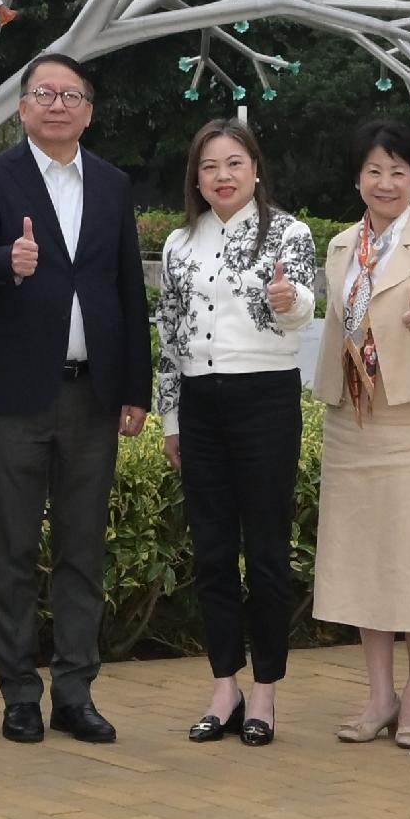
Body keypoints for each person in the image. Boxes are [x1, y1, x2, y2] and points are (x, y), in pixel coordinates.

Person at [0, 49, 152, 744]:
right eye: (45, 93)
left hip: (92, 393)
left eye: (71, 95)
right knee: (11, 548)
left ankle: (75, 692)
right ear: (22, 107)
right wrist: (6, 260)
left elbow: (128, 288)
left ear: (88, 111)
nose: (58, 104)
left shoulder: (111, 183)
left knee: (82, 550)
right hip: (18, 393)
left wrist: (135, 386)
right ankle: (17, 694)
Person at [309, 118, 410, 748]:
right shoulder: (340, 246)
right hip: (353, 418)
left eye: (398, 171)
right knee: (365, 558)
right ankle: (379, 695)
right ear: (358, 179)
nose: (385, 182)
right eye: (374, 171)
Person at [154, 117, 318, 745]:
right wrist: (171, 419)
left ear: (255, 169)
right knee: (212, 552)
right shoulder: (179, 243)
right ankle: (225, 685)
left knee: (268, 554)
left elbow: (302, 310)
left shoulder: (288, 232)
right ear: (196, 178)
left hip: (265, 400)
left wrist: (288, 301)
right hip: (200, 404)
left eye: (233, 164)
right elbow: (169, 336)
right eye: (209, 166)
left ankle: (266, 691)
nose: (222, 176)